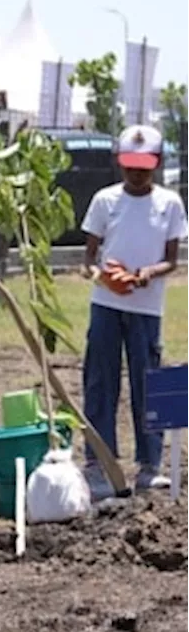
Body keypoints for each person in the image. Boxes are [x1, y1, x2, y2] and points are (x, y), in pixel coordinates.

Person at [79, 125, 187, 500]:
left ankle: (150, 465)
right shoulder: (105, 201)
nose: (136, 173)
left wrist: (144, 276)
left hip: (146, 307)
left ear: (156, 163)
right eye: (130, 165)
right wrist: (104, 278)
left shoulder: (170, 203)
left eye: (144, 166)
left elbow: (172, 260)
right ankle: (98, 463)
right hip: (107, 306)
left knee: (148, 381)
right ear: (119, 163)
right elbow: (88, 259)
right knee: (100, 382)